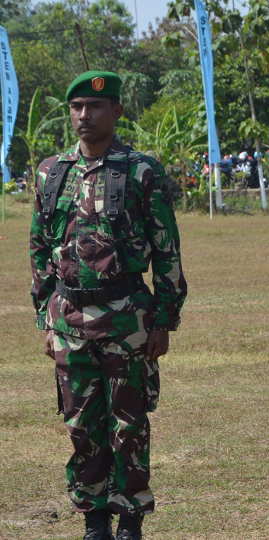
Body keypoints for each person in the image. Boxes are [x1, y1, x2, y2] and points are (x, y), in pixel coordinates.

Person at [29, 71, 187, 540]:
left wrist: (164, 319)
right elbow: (39, 248)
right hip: (69, 321)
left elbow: (166, 250)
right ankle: (94, 518)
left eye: (95, 106)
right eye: (77, 107)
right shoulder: (51, 172)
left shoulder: (141, 171)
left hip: (127, 319)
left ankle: (130, 517)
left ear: (116, 111)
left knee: (129, 426)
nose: (84, 115)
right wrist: (45, 318)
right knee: (81, 425)